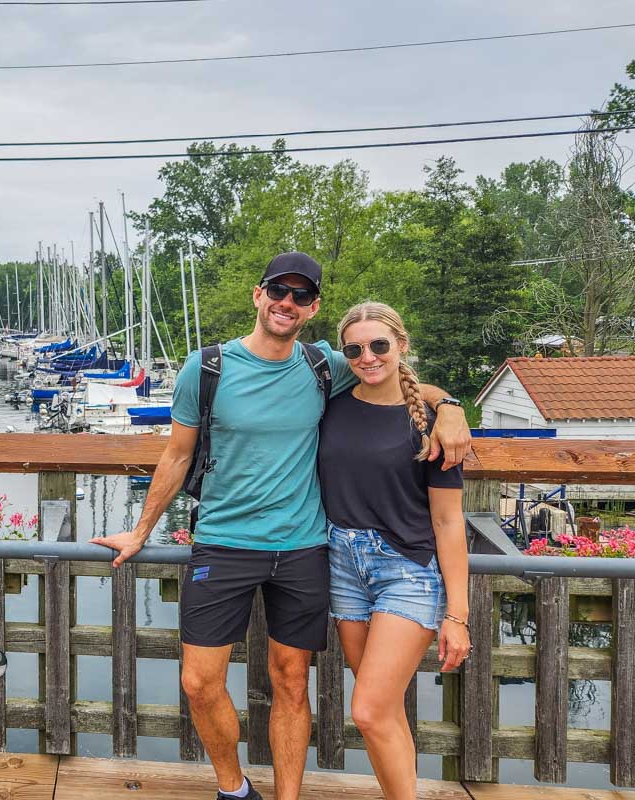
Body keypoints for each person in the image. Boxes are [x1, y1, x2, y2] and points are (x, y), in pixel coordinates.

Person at [90, 252, 472, 800]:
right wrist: (141, 530)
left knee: (293, 681)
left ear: (312, 308)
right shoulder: (209, 368)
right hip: (223, 541)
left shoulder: (323, 367)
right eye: (278, 291)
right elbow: (177, 456)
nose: (286, 303)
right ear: (258, 295)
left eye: (300, 296)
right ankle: (235, 789)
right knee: (199, 682)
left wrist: (451, 405)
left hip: (305, 547)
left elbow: (397, 382)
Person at [319, 302, 470, 800]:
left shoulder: (431, 422)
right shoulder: (333, 405)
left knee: (367, 709)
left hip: (406, 568)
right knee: (382, 714)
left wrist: (458, 616)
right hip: (342, 562)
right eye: (355, 348)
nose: (368, 356)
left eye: (379, 344)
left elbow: (449, 522)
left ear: (401, 345)